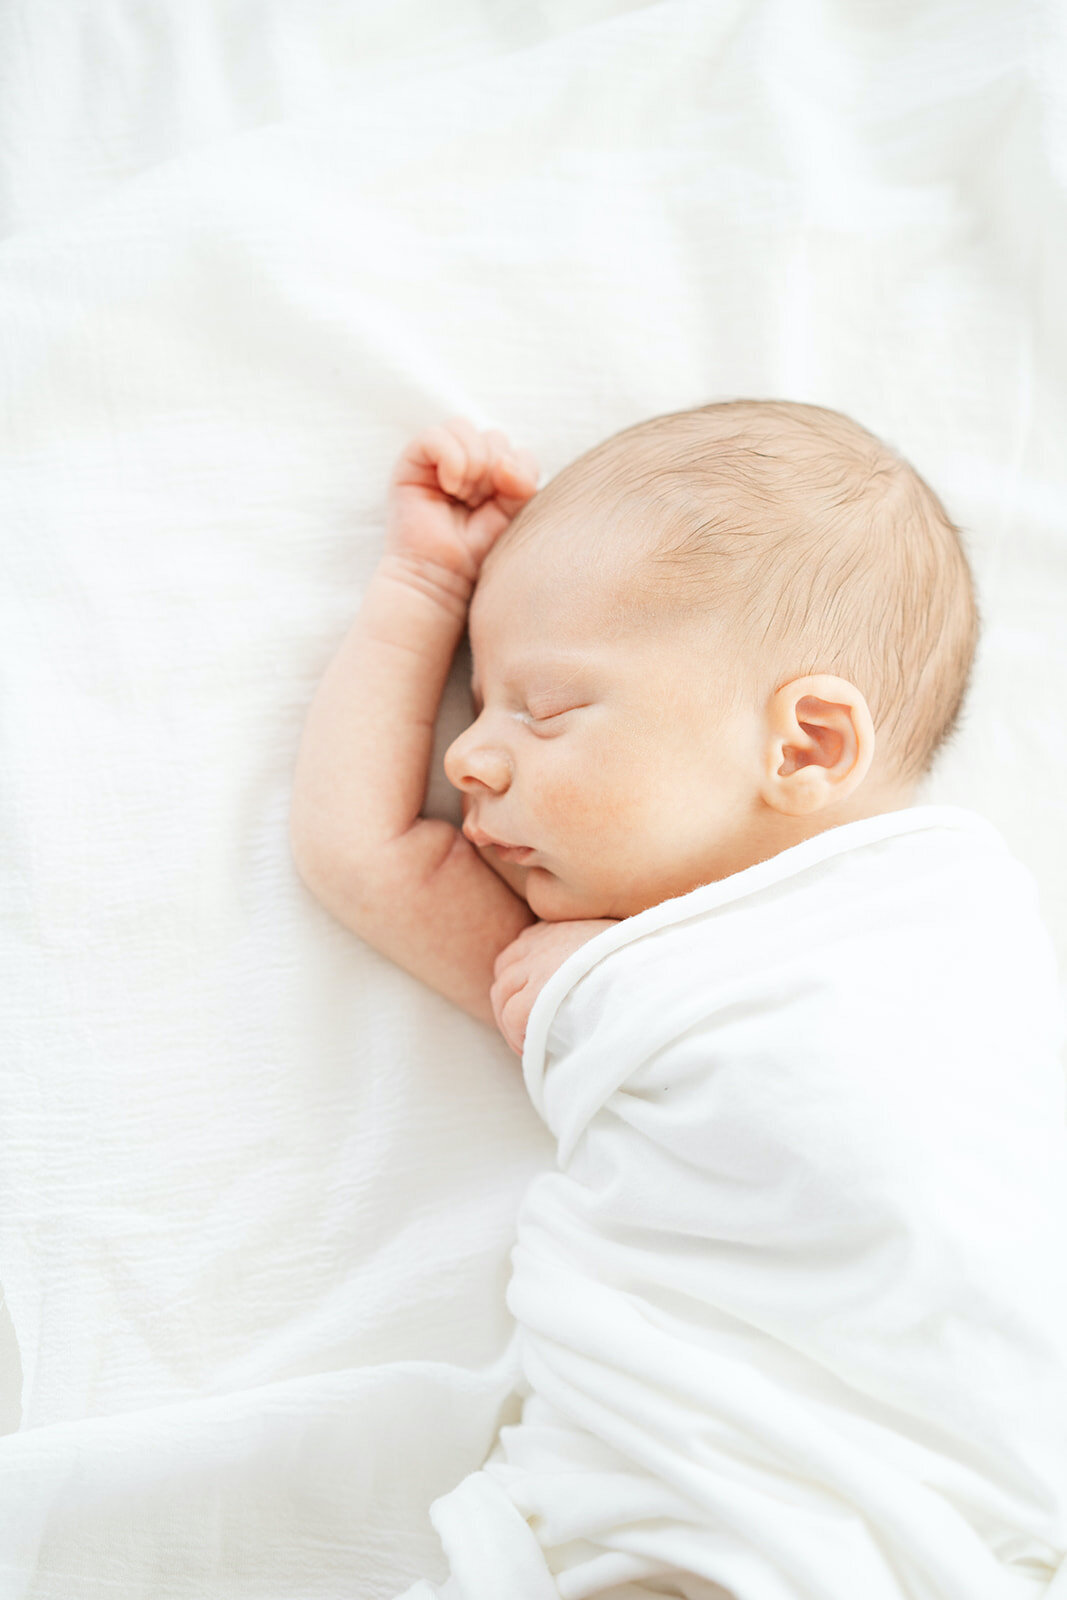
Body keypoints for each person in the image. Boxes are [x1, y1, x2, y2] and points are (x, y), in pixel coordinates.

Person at [289, 403, 1067, 1598]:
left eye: (541, 709)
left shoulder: (954, 918)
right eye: (477, 700)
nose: (467, 758)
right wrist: (418, 587)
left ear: (804, 745)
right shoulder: (606, 966)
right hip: (698, 1501)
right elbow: (368, 852)